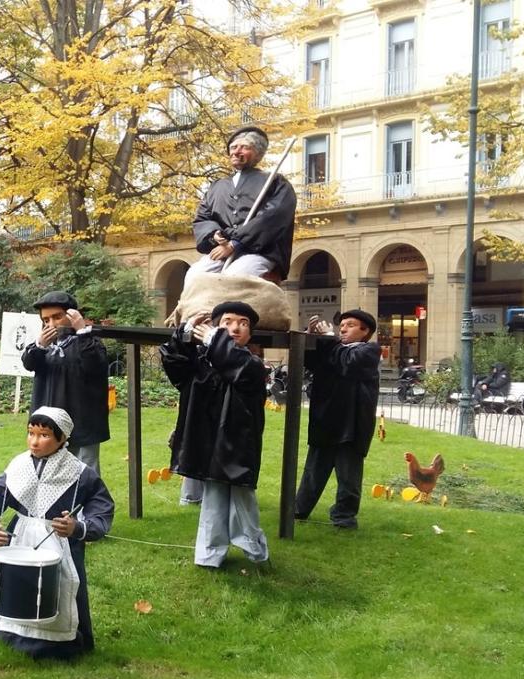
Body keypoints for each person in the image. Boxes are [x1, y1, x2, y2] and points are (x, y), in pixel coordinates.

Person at [0, 407, 114, 660]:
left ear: (62, 438)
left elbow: (101, 509)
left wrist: (77, 528)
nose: (35, 441)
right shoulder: (19, 466)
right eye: (31, 433)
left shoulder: (79, 473)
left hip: (60, 541)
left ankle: (64, 645)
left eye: (44, 435)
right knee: (19, 586)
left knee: (62, 587)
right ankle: (15, 637)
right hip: (21, 536)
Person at [161, 301, 270, 569]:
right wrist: (184, 332)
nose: (235, 328)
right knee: (213, 500)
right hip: (207, 442)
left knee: (243, 499)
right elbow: (174, 363)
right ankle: (210, 554)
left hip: (237, 444)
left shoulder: (252, 364)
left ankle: (255, 550)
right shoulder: (200, 363)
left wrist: (214, 338)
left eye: (243, 323)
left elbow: (238, 366)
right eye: (227, 322)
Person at [294, 310, 381, 530]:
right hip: (326, 421)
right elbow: (309, 360)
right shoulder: (334, 348)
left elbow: (348, 363)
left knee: (349, 476)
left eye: (350, 325)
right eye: (341, 325)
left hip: (351, 425)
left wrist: (331, 339)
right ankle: (298, 510)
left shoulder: (369, 351)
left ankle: (344, 517)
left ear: (365, 331)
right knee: (313, 472)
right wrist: (311, 338)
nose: (343, 328)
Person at [190, 126, 297, 281]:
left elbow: (272, 217)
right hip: (221, 248)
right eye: (233, 147)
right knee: (195, 276)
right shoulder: (216, 186)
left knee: (233, 278)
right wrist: (215, 235)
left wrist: (236, 243)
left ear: (258, 153)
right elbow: (203, 218)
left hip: (260, 251)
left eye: (244, 147)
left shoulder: (275, 182)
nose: (236, 152)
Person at [20, 291, 110, 474]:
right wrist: (39, 345)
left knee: (85, 474)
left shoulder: (88, 342)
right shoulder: (43, 347)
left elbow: (95, 364)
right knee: (49, 472)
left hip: (83, 423)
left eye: (57, 317)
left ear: (72, 315)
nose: (51, 324)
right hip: (50, 425)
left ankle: (89, 504)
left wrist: (82, 330)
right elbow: (28, 363)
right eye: (46, 320)